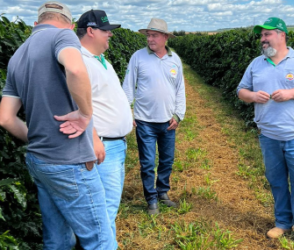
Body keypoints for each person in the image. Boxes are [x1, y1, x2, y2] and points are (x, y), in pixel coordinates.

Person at [0, 2, 113, 249]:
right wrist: (85, 114)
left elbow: (5, 118)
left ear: (35, 24)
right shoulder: (63, 36)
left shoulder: (17, 55)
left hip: (39, 160)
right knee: (100, 240)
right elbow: (75, 67)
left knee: (57, 239)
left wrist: (39, 138)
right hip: (69, 160)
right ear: (71, 25)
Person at [237, 17, 294, 249]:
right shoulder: (257, 63)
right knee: (276, 181)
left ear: (282, 35)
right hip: (268, 136)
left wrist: (290, 94)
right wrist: (253, 96)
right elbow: (241, 91)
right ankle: (283, 222)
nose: (262, 40)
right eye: (261, 36)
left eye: (267, 35)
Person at [76, 9, 133, 249]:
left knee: (109, 207)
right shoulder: (79, 63)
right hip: (102, 147)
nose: (110, 35)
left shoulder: (102, 60)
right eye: (106, 31)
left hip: (115, 144)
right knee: (103, 211)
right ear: (90, 31)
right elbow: (76, 106)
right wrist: (95, 138)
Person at [122, 18, 186, 215]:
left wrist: (178, 114)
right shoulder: (138, 57)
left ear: (165, 37)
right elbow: (128, 85)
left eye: (154, 35)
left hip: (168, 121)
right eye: (148, 35)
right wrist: (127, 111)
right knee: (148, 162)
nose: (150, 39)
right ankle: (151, 199)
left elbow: (180, 89)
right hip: (145, 121)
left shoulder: (174, 60)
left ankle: (163, 192)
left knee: (167, 160)